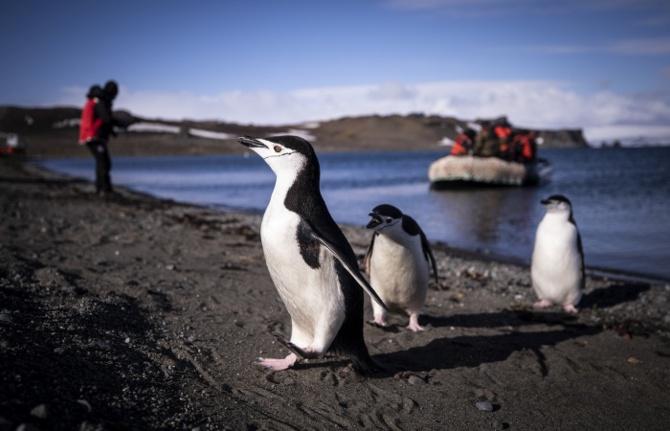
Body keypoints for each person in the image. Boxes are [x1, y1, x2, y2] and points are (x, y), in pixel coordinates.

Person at [78, 80, 118, 194]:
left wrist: (111, 131)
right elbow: (105, 118)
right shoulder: (100, 102)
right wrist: (117, 123)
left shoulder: (97, 101)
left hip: (92, 136)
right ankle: (104, 189)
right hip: (94, 137)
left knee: (102, 162)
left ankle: (102, 188)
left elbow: (102, 119)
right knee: (103, 162)